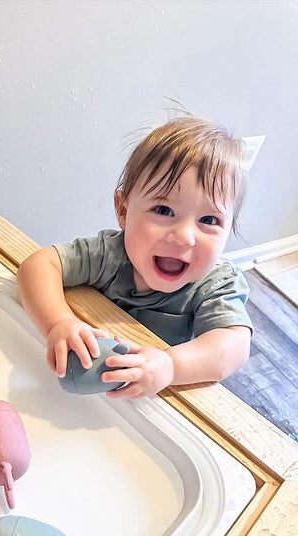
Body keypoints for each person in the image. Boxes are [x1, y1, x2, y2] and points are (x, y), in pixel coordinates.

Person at [16, 115, 253, 399]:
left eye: (209, 220)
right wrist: (58, 322)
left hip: (156, 399)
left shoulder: (216, 284)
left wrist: (170, 366)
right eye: (164, 211)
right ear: (124, 211)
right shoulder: (111, 255)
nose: (185, 237)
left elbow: (234, 347)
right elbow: (39, 265)